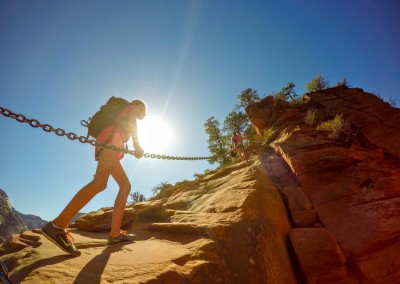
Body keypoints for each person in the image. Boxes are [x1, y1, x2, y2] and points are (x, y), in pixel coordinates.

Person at [41, 99, 147, 256]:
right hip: (112, 139)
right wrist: (137, 146)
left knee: (125, 185)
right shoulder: (133, 108)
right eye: (144, 113)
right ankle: (57, 225)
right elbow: (132, 124)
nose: (142, 116)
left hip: (109, 139)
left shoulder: (120, 113)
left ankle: (115, 235)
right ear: (141, 108)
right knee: (99, 183)